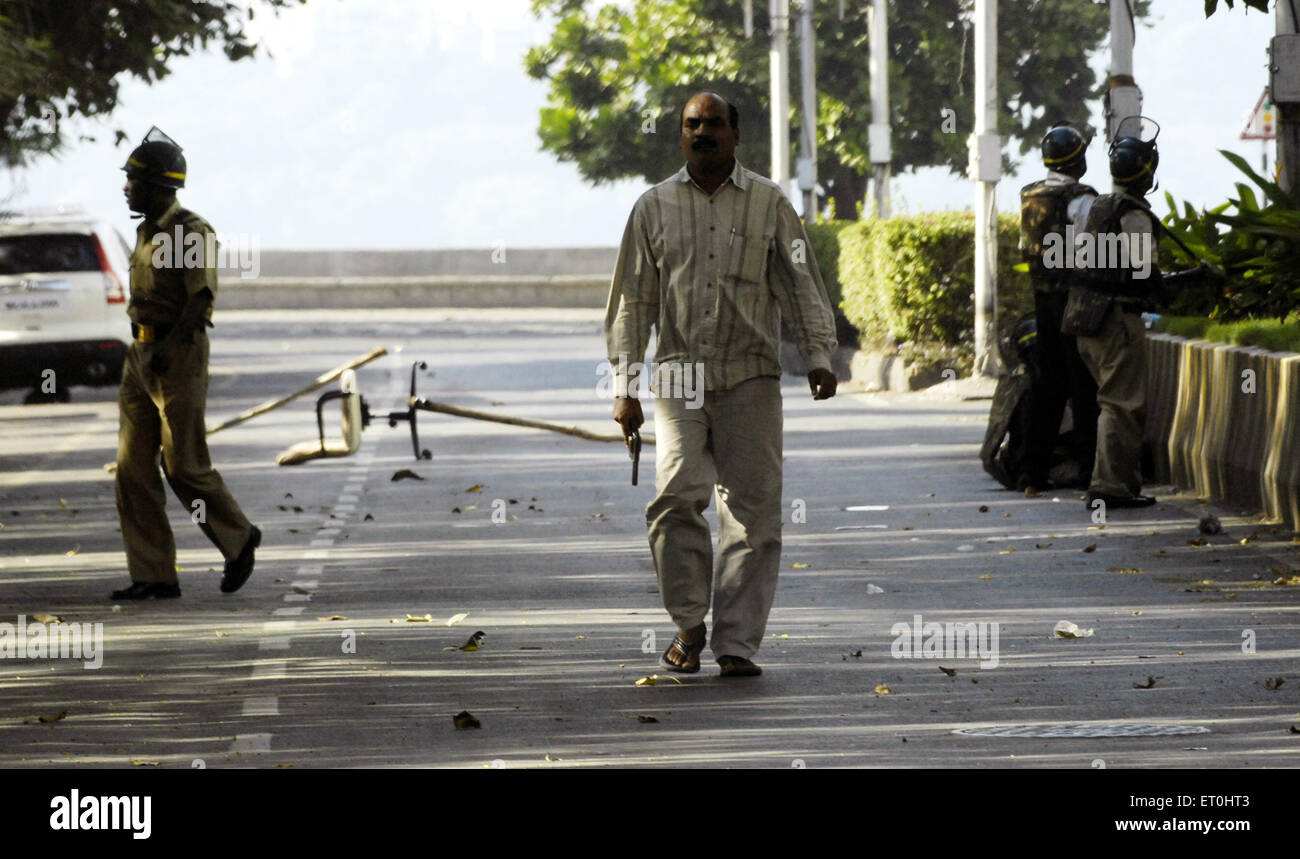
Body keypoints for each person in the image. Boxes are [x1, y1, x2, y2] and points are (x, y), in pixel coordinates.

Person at [605, 91, 838, 677]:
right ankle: (689, 622)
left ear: (736, 135)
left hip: (751, 375)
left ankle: (737, 645)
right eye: (691, 125)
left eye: (712, 124)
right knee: (674, 499)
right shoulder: (653, 207)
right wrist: (626, 386)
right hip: (680, 374)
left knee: (753, 515)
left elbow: (799, 280)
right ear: (681, 136)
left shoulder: (769, 204)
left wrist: (817, 354)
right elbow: (634, 302)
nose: (701, 132)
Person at [110, 127, 260, 600]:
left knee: (184, 466)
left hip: (177, 356)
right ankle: (154, 574)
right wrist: (144, 354)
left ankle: (238, 538)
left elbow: (199, 303)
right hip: (140, 355)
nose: (125, 187)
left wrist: (166, 355)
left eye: (133, 180)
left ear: (158, 185)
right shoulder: (145, 231)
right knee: (132, 469)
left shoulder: (189, 232)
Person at [1070, 124, 1202, 510]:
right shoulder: (1132, 214)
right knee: (1122, 405)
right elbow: (1146, 277)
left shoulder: (1097, 206)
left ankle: (1117, 483)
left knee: (1110, 403)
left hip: (1084, 319)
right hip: (1116, 321)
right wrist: (1192, 281)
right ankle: (1110, 486)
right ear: (1146, 171)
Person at [1017, 121, 1100, 492]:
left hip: (1042, 297)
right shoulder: (1082, 199)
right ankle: (1088, 468)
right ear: (1077, 160)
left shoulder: (1030, 194)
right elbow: (1090, 251)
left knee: (1046, 383)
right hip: (1073, 299)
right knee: (1083, 384)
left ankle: (1030, 470)